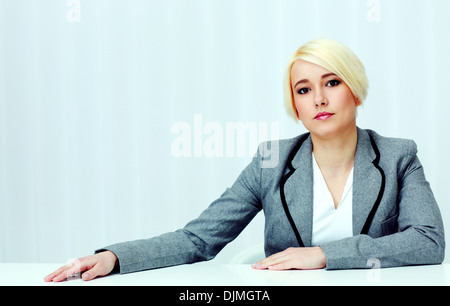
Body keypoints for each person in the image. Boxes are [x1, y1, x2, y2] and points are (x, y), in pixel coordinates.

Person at [45, 38, 445, 282]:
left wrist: (325, 256)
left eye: (332, 82)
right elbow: (199, 239)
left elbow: (428, 242)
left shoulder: (397, 156)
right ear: (296, 105)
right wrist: (114, 258)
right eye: (304, 90)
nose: (319, 99)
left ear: (354, 91)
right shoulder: (271, 162)